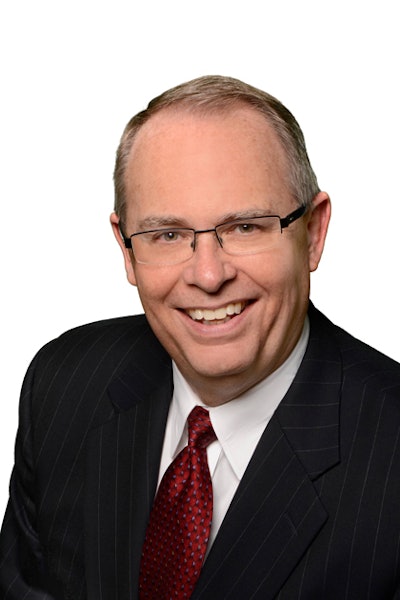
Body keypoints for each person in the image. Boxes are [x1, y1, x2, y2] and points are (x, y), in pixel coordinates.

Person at [1, 75, 399, 600]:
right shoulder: (64, 387)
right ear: (127, 251)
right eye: (167, 234)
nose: (209, 276)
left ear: (313, 233)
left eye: (245, 227)